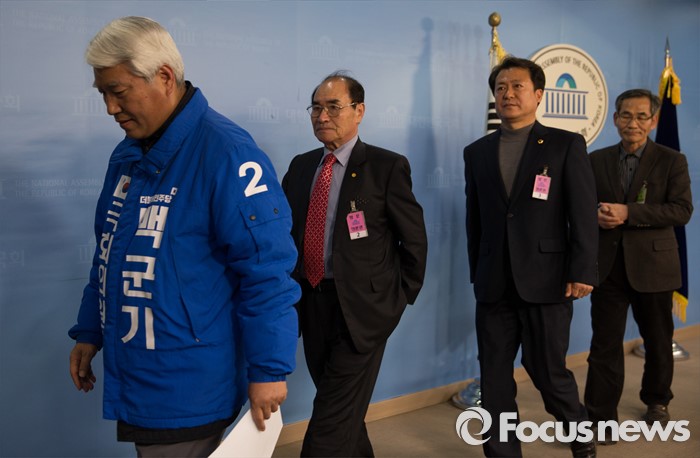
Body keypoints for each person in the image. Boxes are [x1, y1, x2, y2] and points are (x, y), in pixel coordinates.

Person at [67, 16, 300, 457]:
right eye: (103, 94)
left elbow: (267, 271)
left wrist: (269, 370)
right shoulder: (127, 155)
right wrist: (90, 330)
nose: (111, 108)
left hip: (189, 383)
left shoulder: (229, 153)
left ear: (164, 77)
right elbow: (109, 253)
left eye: (119, 92)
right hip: (140, 371)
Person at [281, 71, 428, 457]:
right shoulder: (301, 167)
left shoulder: (386, 166)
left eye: (333, 107)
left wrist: (398, 298)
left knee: (329, 423)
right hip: (312, 302)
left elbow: (414, 240)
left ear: (359, 111)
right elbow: (285, 234)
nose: (322, 116)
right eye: (316, 108)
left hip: (364, 310)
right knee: (341, 407)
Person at [463, 56, 598, 458]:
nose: (508, 94)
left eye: (517, 86)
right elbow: (475, 217)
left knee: (548, 373)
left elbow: (582, 213)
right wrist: (477, 270)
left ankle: (580, 435)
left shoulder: (565, 144)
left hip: (547, 279)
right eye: (501, 88)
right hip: (494, 284)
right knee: (494, 379)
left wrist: (582, 269)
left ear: (538, 94)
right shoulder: (477, 152)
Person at [584, 89, 693, 439]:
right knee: (604, 345)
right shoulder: (595, 159)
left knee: (658, 341)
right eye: (626, 115)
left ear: (654, 121)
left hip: (655, 267)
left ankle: (657, 400)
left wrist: (629, 213)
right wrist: (594, 215)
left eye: (641, 116)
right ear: (615, 119)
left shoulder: (672, 160)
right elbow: (580, 204)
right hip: (608, 267)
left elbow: (681, 210)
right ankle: (600, 418)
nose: (633, 123)